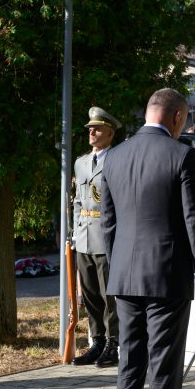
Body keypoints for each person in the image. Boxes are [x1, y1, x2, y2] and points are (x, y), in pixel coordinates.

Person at [101, 88, 195, 389]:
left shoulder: (114, 156)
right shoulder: (182, 156)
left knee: (129, 367)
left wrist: (117, 267)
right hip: (167, 276)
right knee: (164, 369)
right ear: (177, 117)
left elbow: (108, 224)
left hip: (125, 276)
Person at [71, 107, 122, 367]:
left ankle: (113, 343)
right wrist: (74, 232)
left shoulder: (117, 159)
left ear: (110, 132)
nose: (91, 132)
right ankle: (98, 340)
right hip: (84, 236)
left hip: (106, 236)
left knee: (108, 294)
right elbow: (78, 202)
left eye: (97, 128)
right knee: (90, 293)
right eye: (90, 129)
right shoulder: (81, 163)